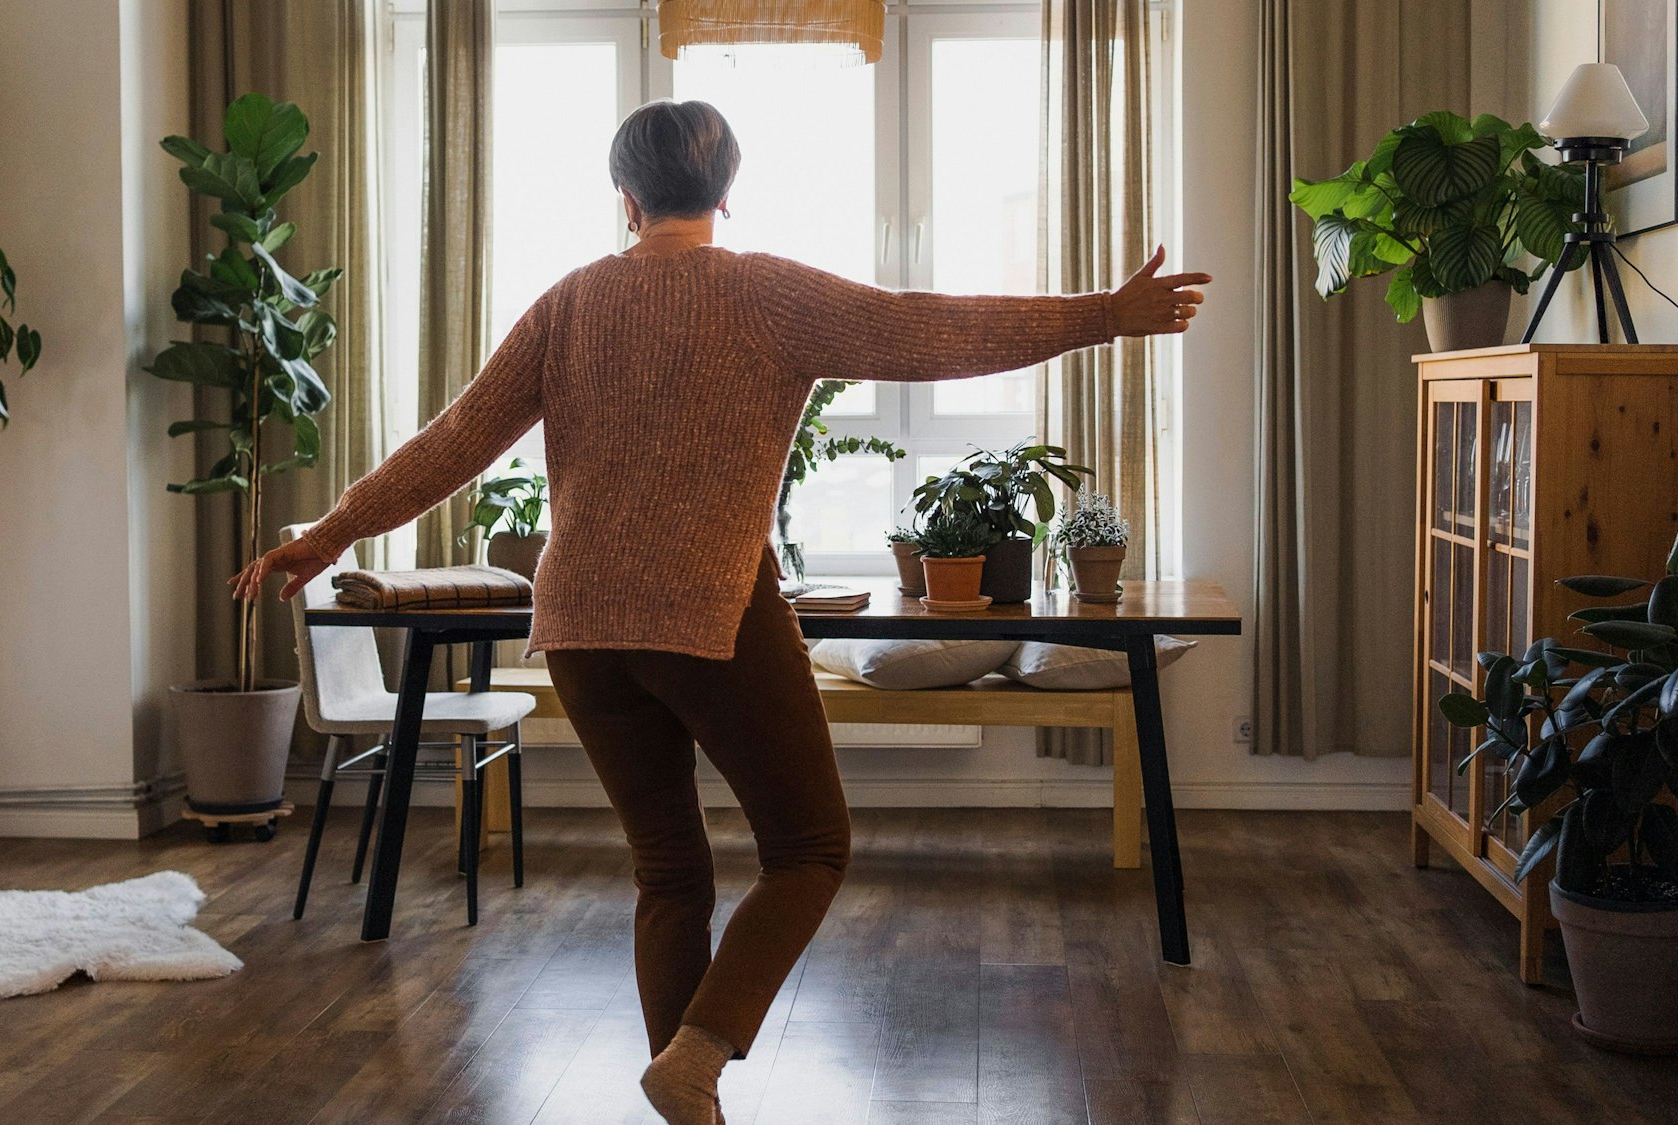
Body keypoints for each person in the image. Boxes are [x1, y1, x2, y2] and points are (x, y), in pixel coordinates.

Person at [232, 98, 1209, 1125]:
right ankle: (696, 1054)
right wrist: (1101, 312)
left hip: (578, 625)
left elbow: (452, 442)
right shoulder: (766, 295)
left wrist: (329, 534)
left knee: (667, 870)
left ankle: (682, 1087)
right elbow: (934, 330)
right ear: (725, 192)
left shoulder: (568, 304)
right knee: (808, 848)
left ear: (625, 198)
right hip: (707, 607)